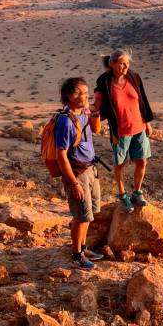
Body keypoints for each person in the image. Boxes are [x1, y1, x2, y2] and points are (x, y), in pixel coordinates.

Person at [93, 48, 154, 213]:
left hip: (139, 127)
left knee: (142, 161)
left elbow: (143, 99)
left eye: (127, 63)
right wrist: (91, 110)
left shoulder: (134, 77)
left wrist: (147, 121)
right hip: (120, 131)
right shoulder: (105, 83)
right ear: (112, 64)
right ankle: (122, 194)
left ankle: (137, 193)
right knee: (120, 164)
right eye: (122, 63)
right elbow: (98, 104)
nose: (125, 66)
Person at [55, 77, 104, 270]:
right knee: (81, 216)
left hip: (91, 169)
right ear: (68, 96)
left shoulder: (84, 113)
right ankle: (77, 255)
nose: (83, 97)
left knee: (89, 214)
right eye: (78, 93)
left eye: (85, 93)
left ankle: (83, 248)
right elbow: (61, 156)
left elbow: (97, 130)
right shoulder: (66, 122)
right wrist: (73, 183)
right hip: (78, 173)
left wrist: (95, 112)